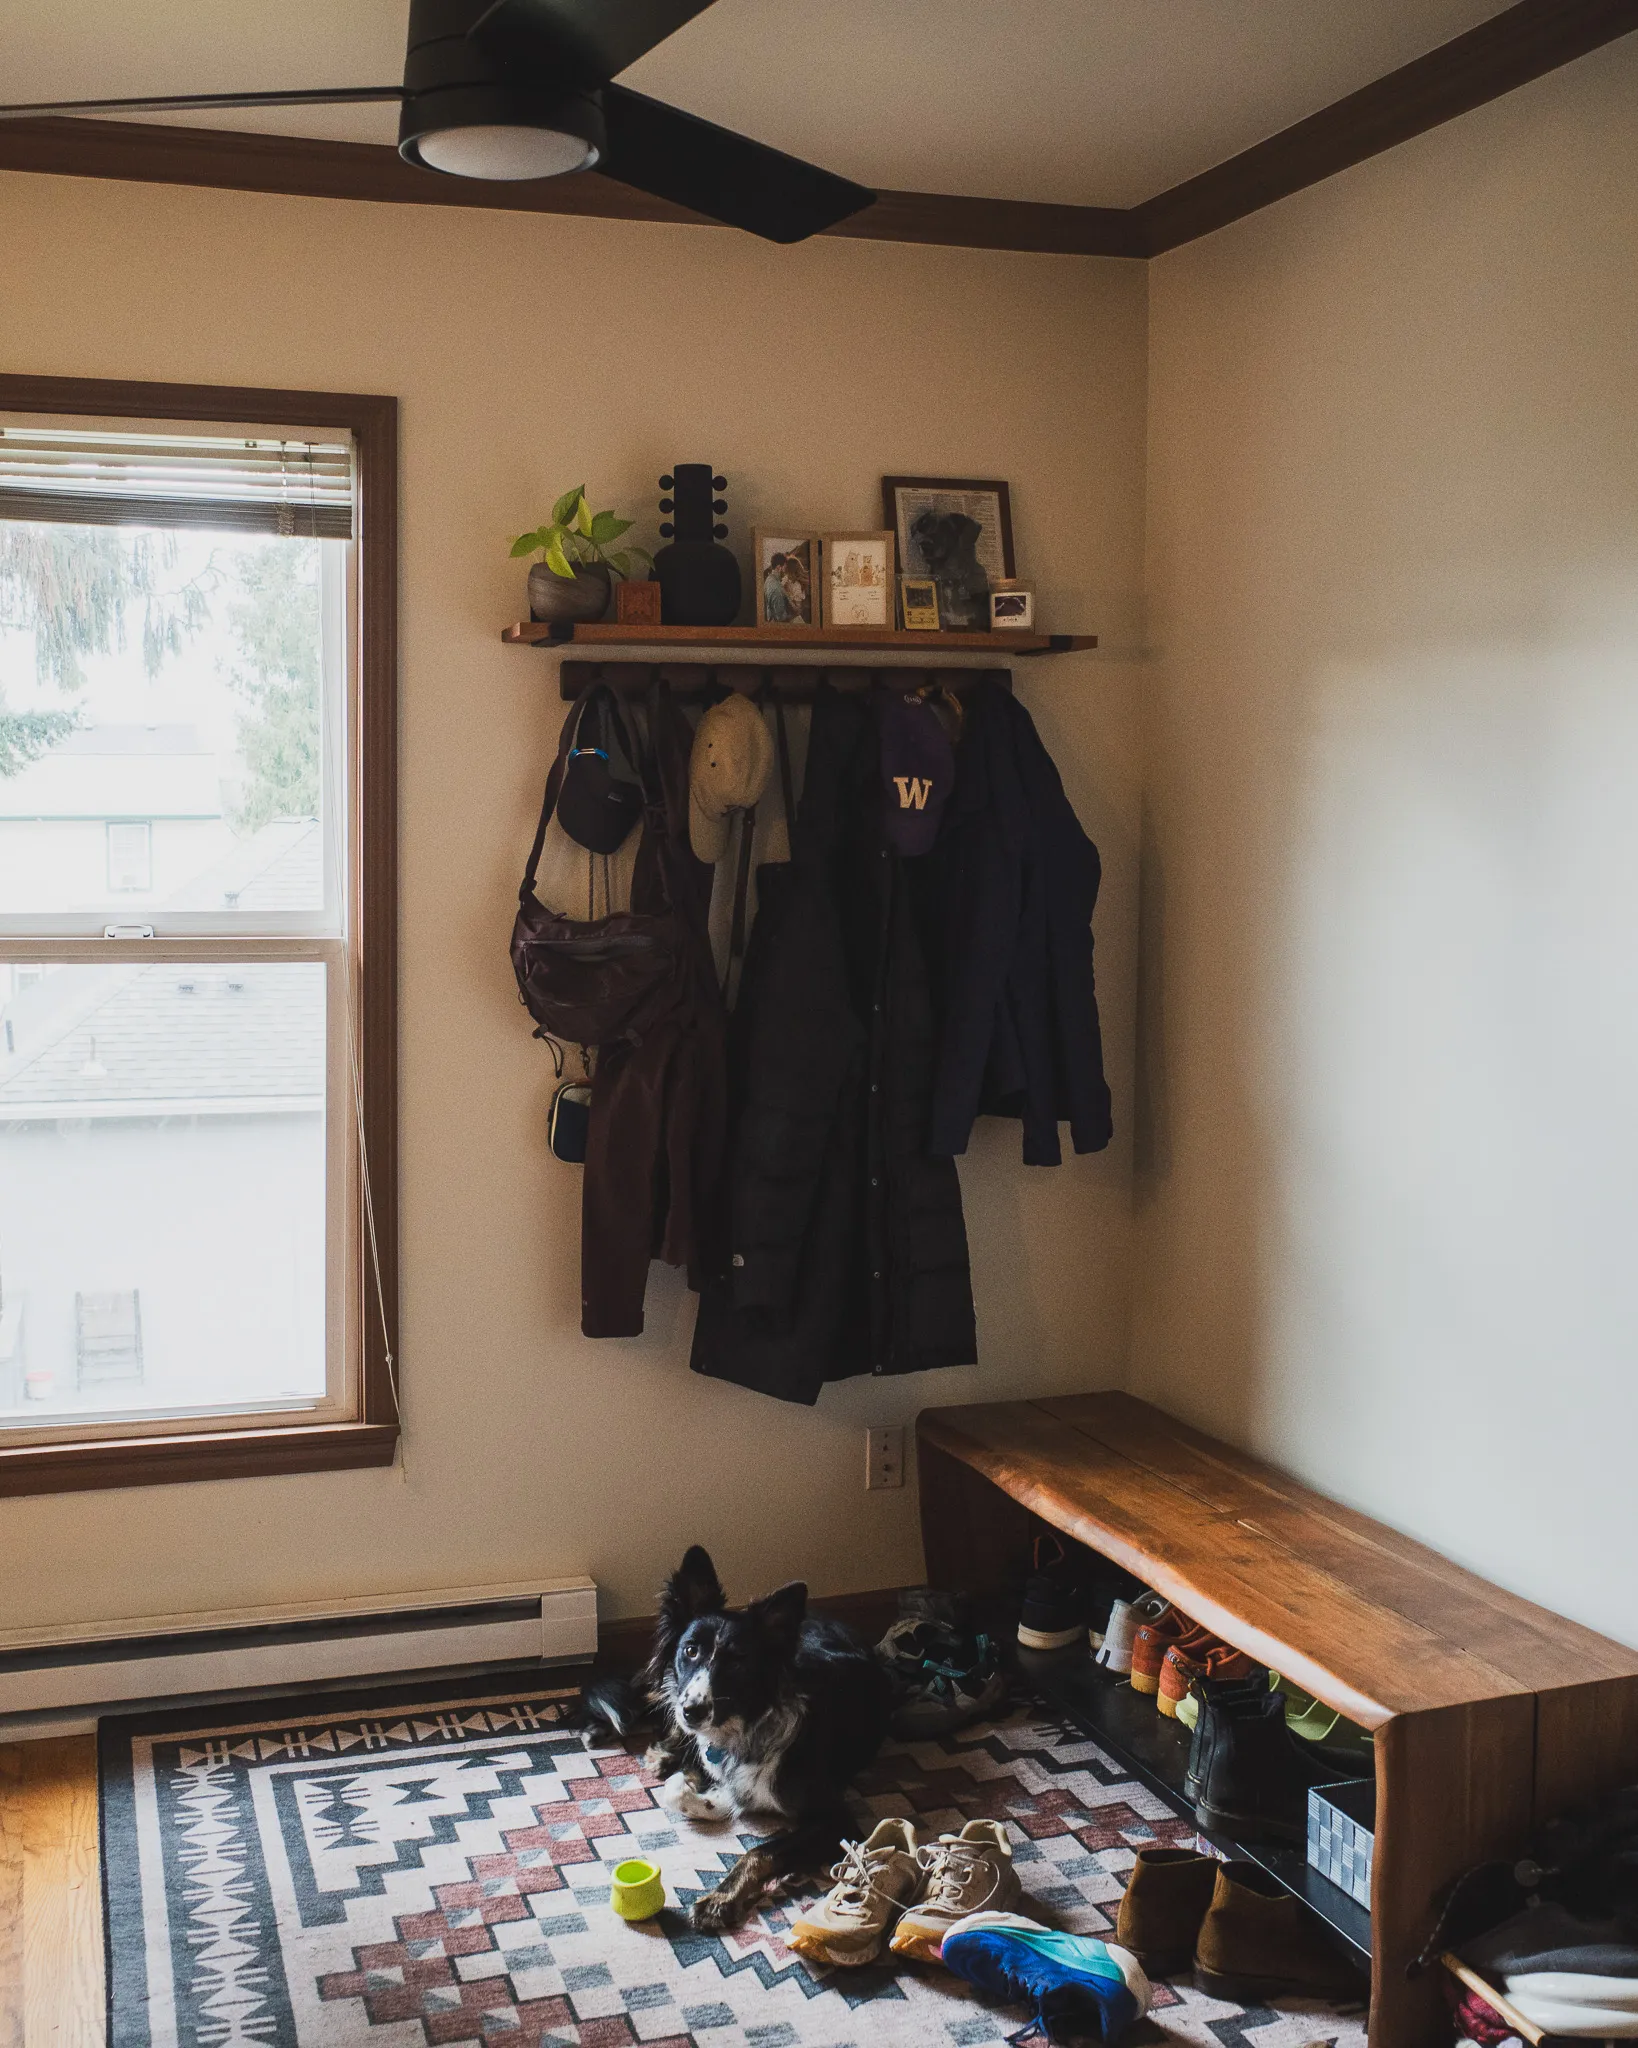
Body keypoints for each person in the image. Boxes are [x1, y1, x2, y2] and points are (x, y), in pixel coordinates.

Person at [763, 551, 792, 622]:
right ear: (779, 567)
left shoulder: (769, 579)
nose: (785, 571)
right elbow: (781, 618)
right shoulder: (777, 589)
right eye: (784, 568)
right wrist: (794, 614)